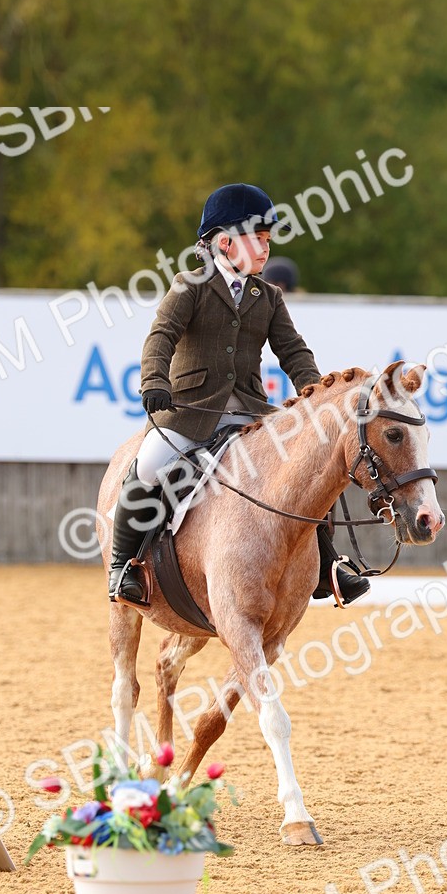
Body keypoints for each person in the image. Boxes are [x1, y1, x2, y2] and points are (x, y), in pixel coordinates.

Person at [108, 182, 370, 608]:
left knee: (311, 467)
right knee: (148, 466)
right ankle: (125, 568)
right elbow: (160, 338)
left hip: (251, 412)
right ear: (225, 243)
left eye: (268, 240)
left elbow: (293, 351)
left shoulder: (267, 296)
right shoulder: (189, 285)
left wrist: (318, 395)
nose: (266, 249)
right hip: (190, 411)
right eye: (258, 239)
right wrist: (155, 381)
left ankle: (329, 564)